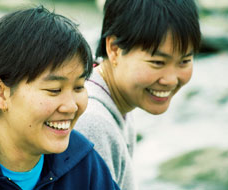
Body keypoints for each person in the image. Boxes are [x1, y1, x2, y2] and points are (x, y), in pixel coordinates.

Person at [0, 6, 120, 190]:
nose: (71, 107)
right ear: (0, 92)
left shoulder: (84, 165)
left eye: (79, 87)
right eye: (54, 90)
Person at [75, 0, 201, 189]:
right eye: (158, 62)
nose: (171, 80)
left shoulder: (113, 98)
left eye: (184, 61)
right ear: (115, 49)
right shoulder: (93, 121)